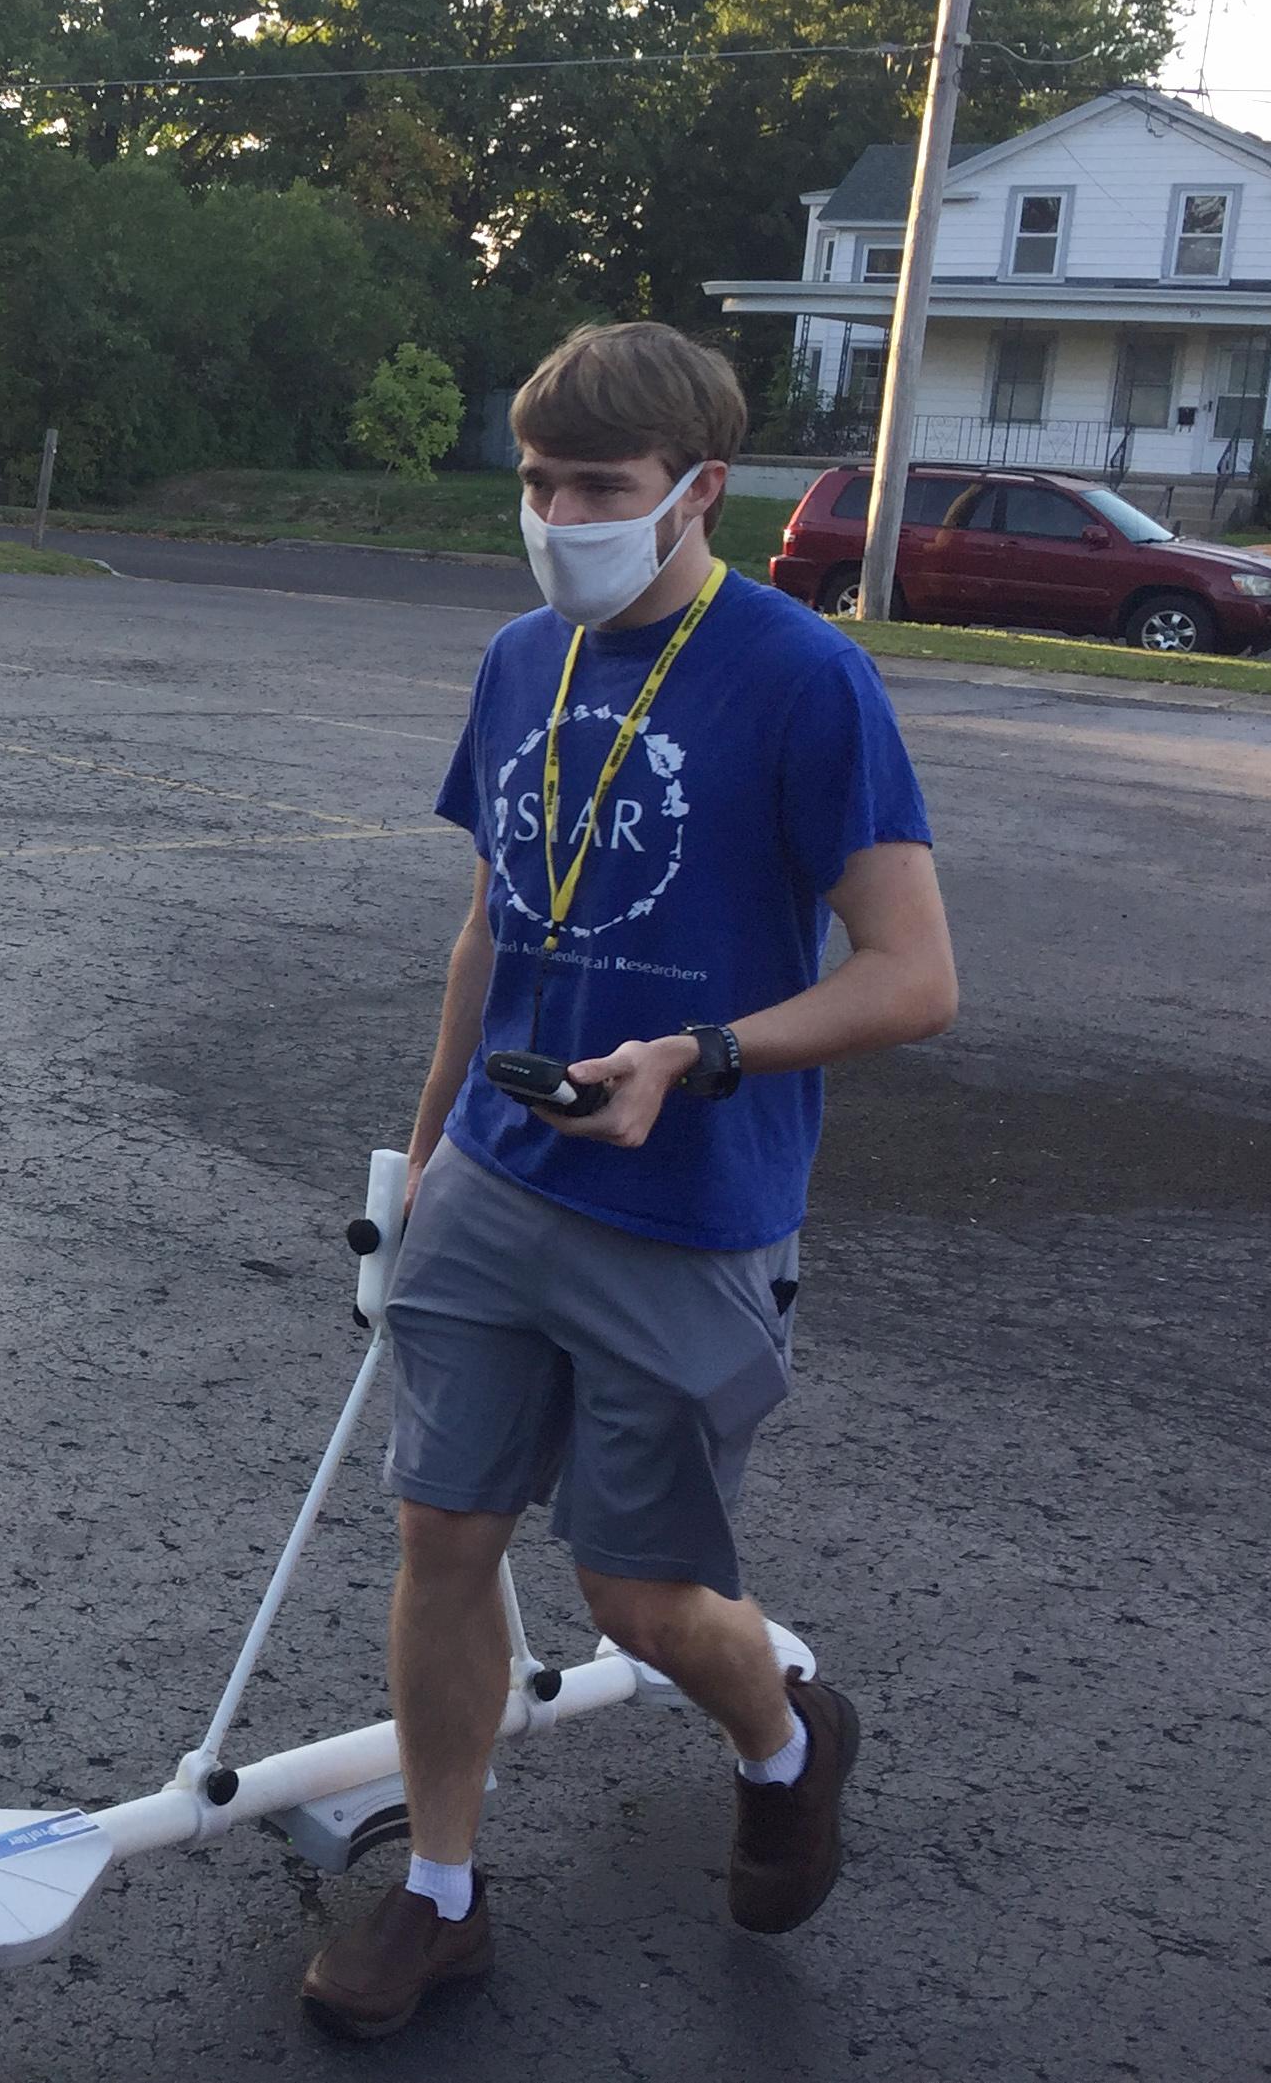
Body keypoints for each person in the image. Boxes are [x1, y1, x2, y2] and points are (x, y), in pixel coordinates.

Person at [299, 322, 958, 2040]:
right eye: (537, 482)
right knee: (443, 1531)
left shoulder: (806, 678)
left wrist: (698, 1054)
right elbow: (487, 925)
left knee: (641, 1598)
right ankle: (441, 1893)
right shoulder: (524, 655)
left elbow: (913, 974)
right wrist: (433, 1144)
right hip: (501, 1180)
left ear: (696, 494)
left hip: (686, 1206)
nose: (561, 513)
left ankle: (788, 1733)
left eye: (599, 486)